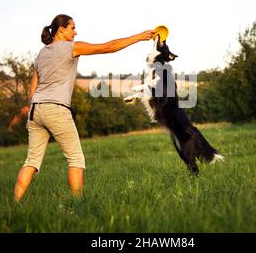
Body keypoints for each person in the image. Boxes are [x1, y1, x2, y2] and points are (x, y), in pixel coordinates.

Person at [13, 14, 155, 202]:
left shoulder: (42, 53)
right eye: (72, 28)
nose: (76, 32)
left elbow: (33, 87)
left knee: (31, 161)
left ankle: (14, 205)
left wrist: (33, 113)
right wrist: (139, 36)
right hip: (56, 108)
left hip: (36, 109)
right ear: (61, 29)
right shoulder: (72, 47)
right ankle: (77, 204)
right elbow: (108, 47)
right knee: (76, 159)